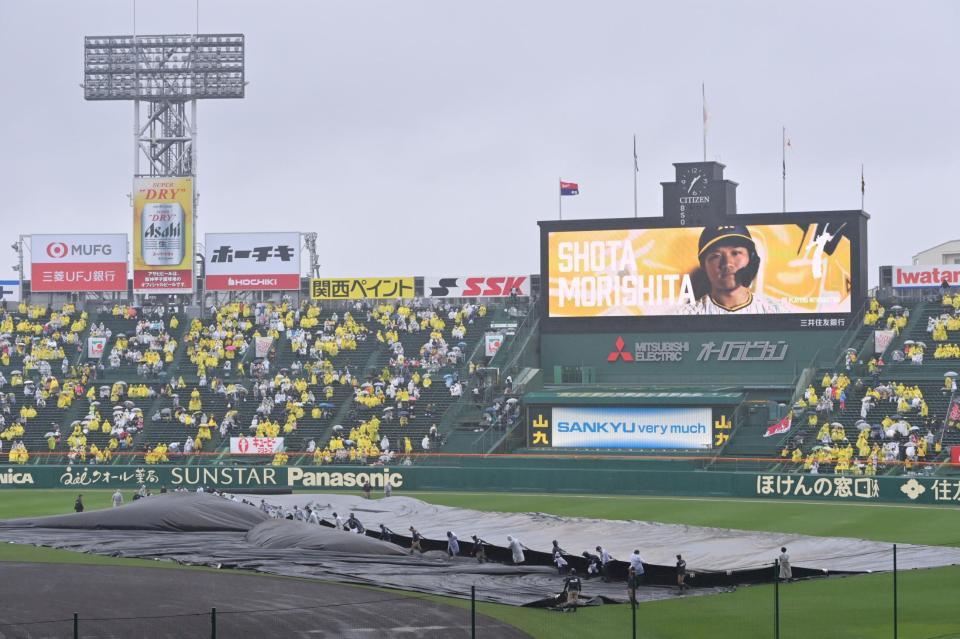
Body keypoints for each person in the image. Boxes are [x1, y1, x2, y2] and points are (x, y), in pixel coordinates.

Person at [681, 225, 784, 315]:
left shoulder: (780, 311)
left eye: (736, 253)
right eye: (716, 256)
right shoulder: (686, 315)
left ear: (751, 259)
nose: (727, 263)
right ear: (704, 266)